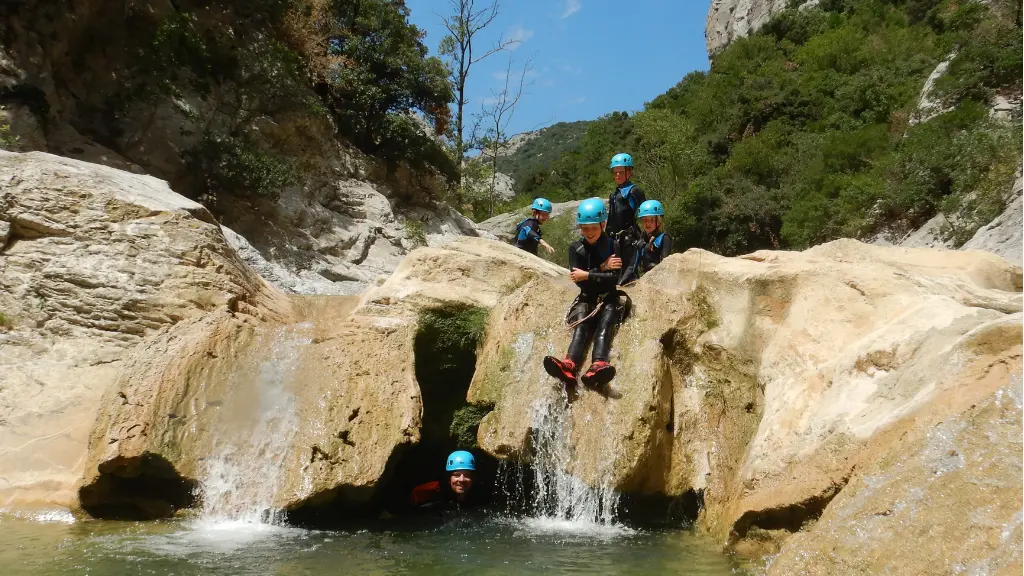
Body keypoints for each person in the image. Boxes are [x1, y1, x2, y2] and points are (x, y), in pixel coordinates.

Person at [543, 197, 630, 389]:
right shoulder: (576, 248)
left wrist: (588, 274)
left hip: (609, 297)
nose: (589, 232)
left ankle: (598, 364)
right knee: (581, 327)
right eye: (585, 228)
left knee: (604, 326)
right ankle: (569, 365)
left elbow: (614, 279)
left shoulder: (613, 245)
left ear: (603, 224)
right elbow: (578, 279)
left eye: (594, 227)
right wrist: (602, 268)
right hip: (587, 296)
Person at [619, 199, 673, 285]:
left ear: (658, 221)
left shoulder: (664, 238)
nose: (647, 223)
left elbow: (665, 265)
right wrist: (621, 282)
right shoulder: (642, 239)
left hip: (660, 280)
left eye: (651, 220)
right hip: (645, 279)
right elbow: (632, 266)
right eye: (644, 220)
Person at [409, 450, 477, 510]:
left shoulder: (480, 495)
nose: (462, 479)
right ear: (449, 478)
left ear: (473, 479)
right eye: (457, 475)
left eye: (467, 475)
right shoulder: (434, 489)